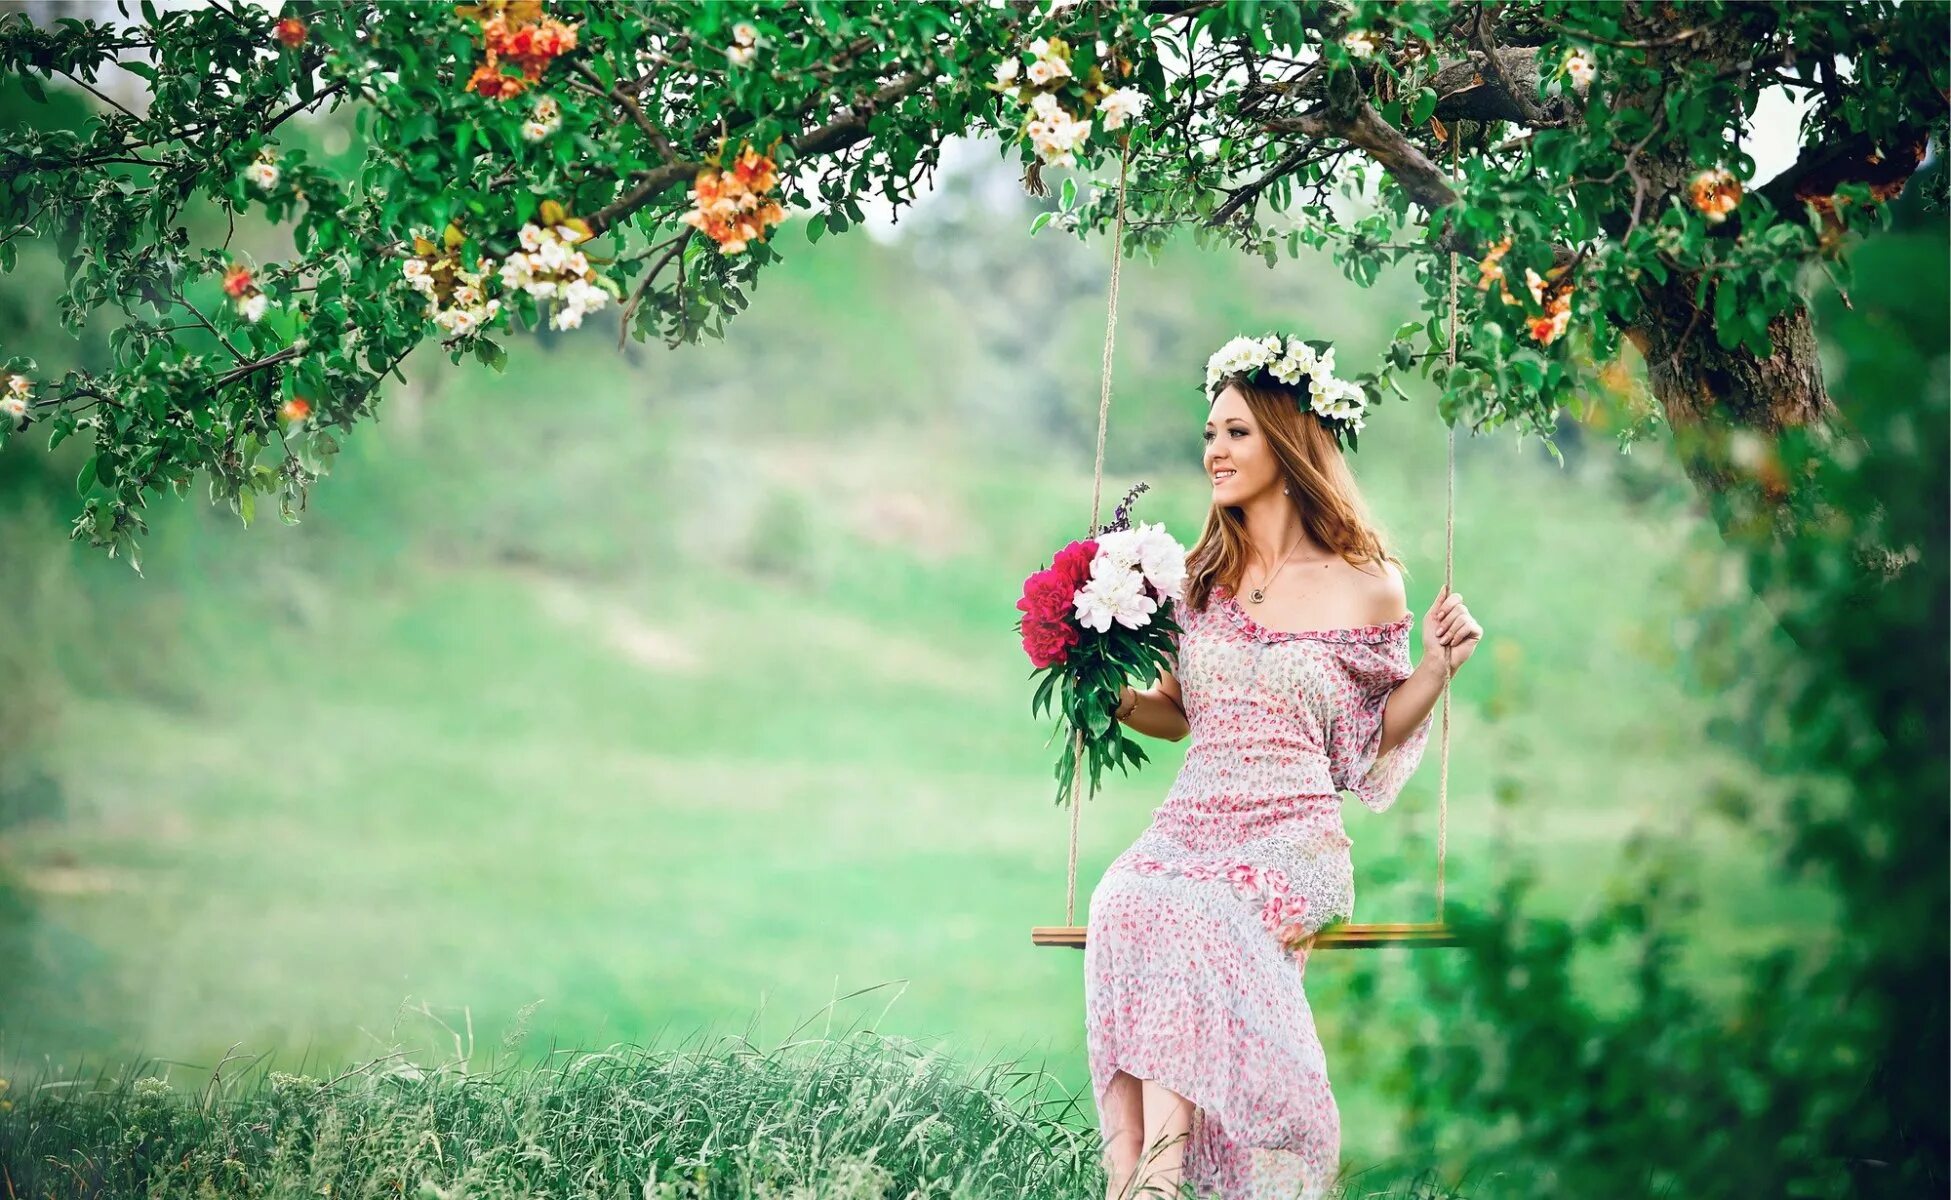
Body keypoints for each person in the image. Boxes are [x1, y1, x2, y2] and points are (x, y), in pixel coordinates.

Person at [1085, 335, 1483, 1200]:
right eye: (1208, 433)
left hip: (1290, 837)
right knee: (1125, 895)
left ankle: (1157, 1178)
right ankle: (1140, 1172)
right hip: (1189, 821)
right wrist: (1107, 696)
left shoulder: (1365, 583)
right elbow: (1177, 715)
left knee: (1192, 909)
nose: (1212, 453)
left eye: (1234, 432)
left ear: (1286, 439)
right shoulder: (1195, 581)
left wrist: (1436, 669)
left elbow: (1366, 739)